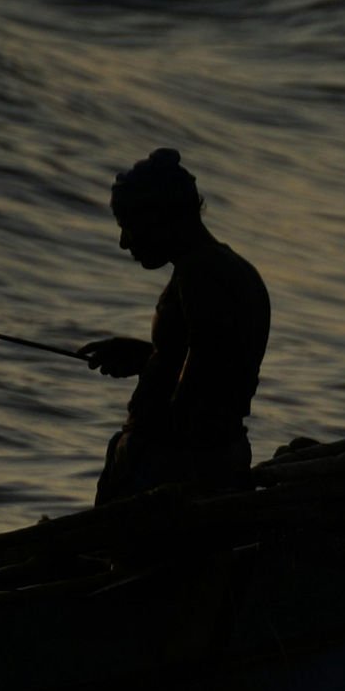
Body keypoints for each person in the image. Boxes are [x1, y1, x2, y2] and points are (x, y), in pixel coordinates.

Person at [81, 148, 271, 506]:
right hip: (211, 455)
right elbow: (213, 360)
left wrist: (161, 459)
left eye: (129, 226)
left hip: (173, 467)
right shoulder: (232, 268)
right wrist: (148, 358)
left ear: (160, 217)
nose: (125, 242)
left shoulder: (200, 274)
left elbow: (202, 378)